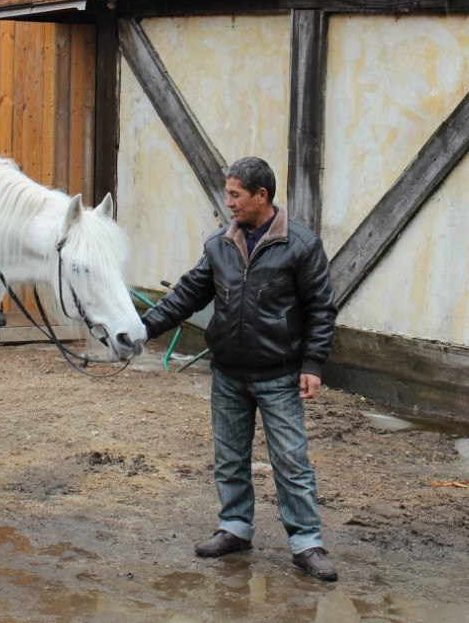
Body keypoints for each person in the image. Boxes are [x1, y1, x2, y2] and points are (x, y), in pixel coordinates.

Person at [141, 156, 339, 581]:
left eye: (235, 194)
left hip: (279, 375)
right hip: (228, 374)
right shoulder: (219, 245)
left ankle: (306, 542)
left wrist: (313, 363)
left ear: (261, 196)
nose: (228, 202)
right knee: (230, 459)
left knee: (292, 463)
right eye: (227, 194)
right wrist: (142, 328)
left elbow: (321, 309)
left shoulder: (301, 246)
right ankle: (234, 528)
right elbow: (187, 294)